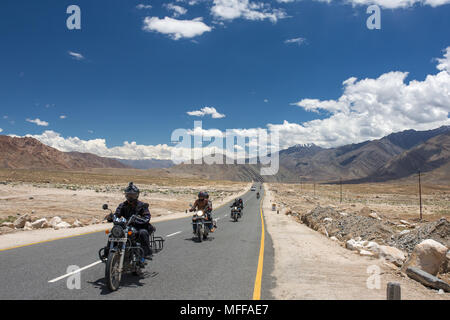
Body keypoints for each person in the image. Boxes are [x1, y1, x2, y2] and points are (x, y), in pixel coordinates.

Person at [107, 182, 154, 259]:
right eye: (129, 195)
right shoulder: (122, 205)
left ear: (137, 195)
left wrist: (138, 220)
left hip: (139, 226)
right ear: (126, 195)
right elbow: (117, 213)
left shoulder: (142, 205)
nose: (130, 197)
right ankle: (107, 253)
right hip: (126, 226)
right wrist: (111, 217)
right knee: (113, 234)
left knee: (143, 233)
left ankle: (146, 253)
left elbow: (147, 217)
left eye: (132, 195)